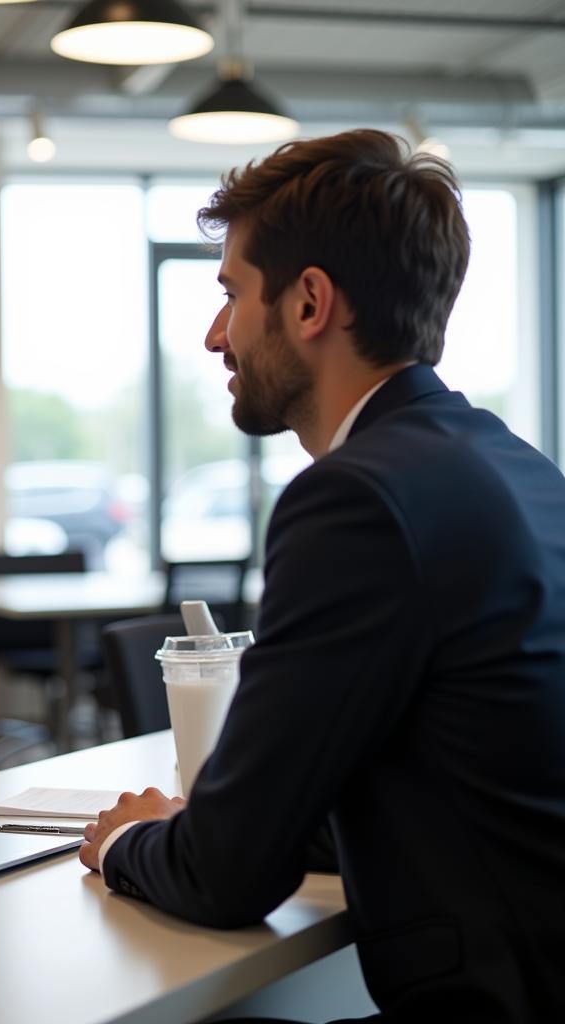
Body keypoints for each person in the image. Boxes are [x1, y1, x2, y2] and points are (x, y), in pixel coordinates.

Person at [79, 130, 565, 1023]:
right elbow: (434, 763)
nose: (215, 333)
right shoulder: (521, 468)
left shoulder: (355, 501)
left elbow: (224, 879)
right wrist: (225, 817)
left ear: (309, 303)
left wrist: (130, 841)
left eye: (231, 294)